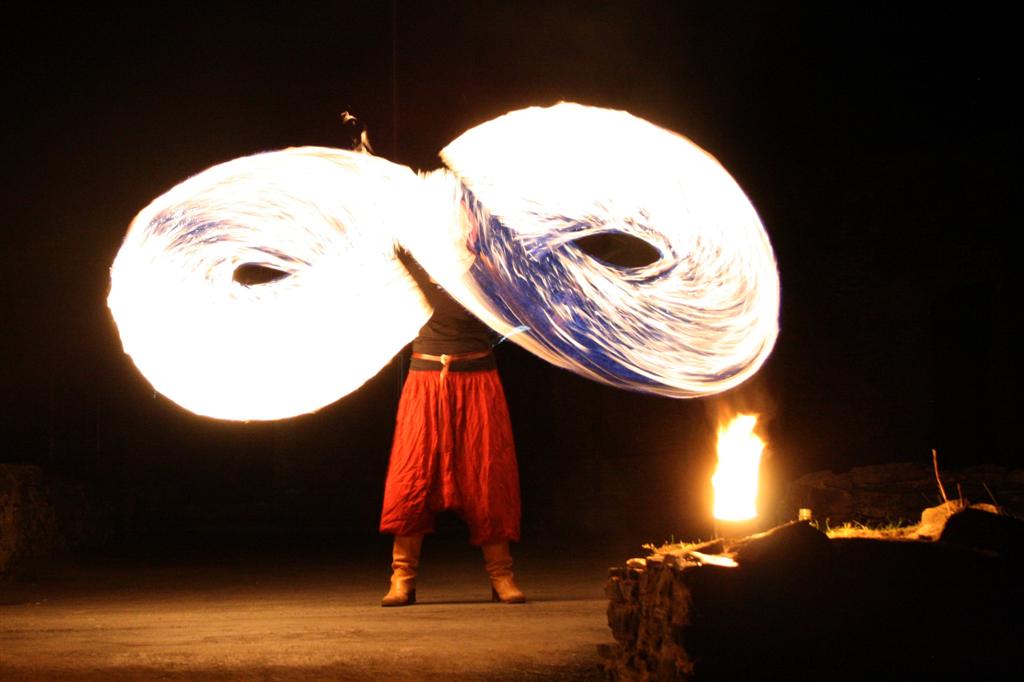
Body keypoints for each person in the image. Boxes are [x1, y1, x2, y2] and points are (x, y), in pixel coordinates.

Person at [379, 256, 524, 606]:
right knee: (412, 474)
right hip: (426, 379)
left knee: (487, 474)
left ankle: (501, 575)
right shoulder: (407, 254)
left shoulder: (485, 260)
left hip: (477, 378)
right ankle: (403, 577)